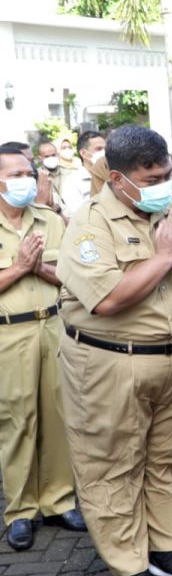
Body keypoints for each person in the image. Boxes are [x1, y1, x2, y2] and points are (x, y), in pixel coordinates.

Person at [56, 125, 172, 576]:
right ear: (116, 178)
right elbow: (108, 300)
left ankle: (166, 547)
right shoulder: (90, 224)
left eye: (165, 174)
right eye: (150, 178)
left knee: (167, 457)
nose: (161, 185)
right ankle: (127, 563)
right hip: (112, 361)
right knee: (111, 463)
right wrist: (166, 254)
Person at [0, 145, 82, 551]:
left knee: (58, 414)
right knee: (17, 422)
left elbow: (72, 275)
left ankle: (59, 500)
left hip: (53, 325)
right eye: (15, 173)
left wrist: (39, 268)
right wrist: (17, 268)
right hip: (8, 335)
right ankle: (21, 510)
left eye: (27, 172)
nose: (25, 179)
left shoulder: (49, 221)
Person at [78, 130, 108, 199]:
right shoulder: (72, 183)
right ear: (84, 153)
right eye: (99, 149)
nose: (104, 152)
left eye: (105, 149)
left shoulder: (111, 175)